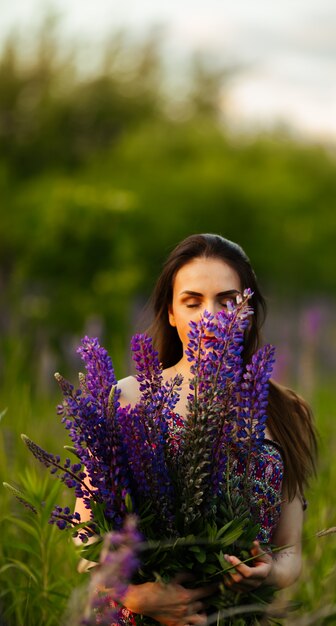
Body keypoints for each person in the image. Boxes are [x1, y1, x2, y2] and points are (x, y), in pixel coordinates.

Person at [75, 233, 317, 625]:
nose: (210, 316)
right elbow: (85, 536)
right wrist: (134, 595)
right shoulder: (127, 398)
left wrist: (269, 572)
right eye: (192, 301)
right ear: (171, 312)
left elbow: (290, 551)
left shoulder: (286, 411)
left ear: (247, 310)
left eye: (227, 301)